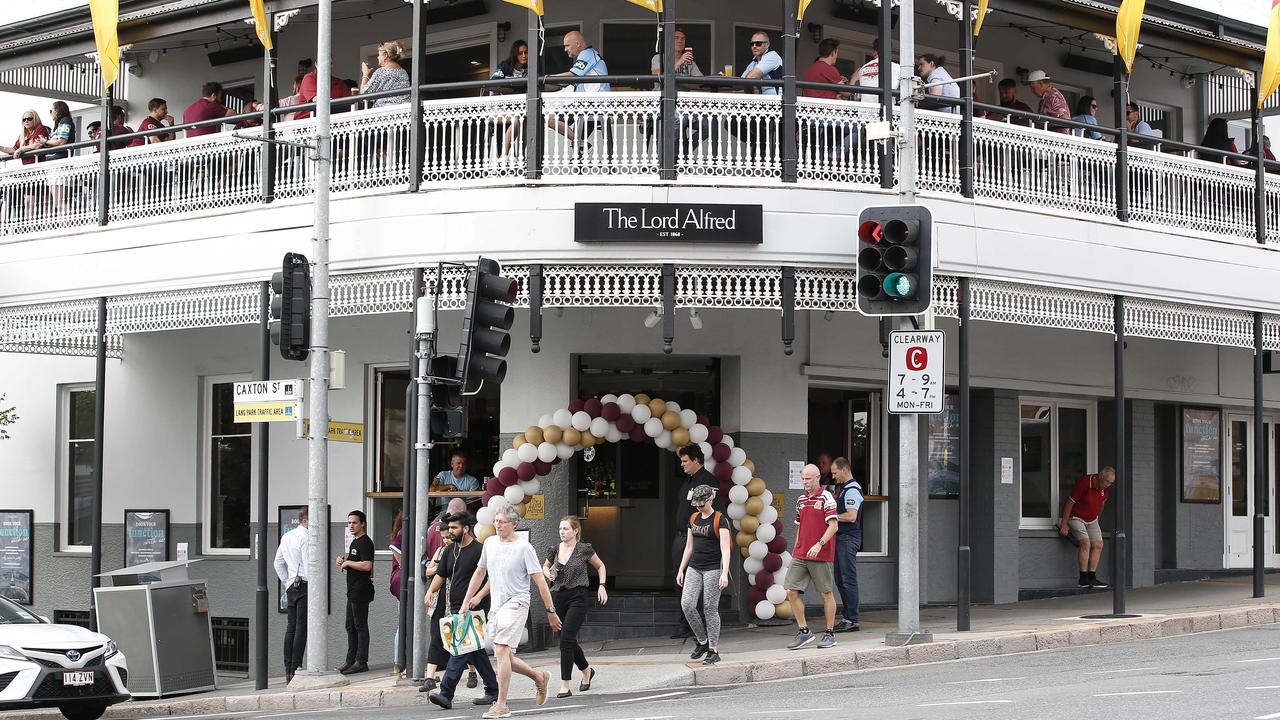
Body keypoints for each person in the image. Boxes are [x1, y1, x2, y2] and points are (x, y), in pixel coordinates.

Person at [459, 503, 560, 719]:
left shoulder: (524, 548)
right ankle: (539, 677)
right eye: (495, 521)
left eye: (502, 522)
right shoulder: (490, 543)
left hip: (517, 603)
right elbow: (480, 573)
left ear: (514, 524)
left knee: (502, 648)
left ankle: (502, 704)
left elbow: (540, 582)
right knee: (503, 655)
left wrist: (550, 610)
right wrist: (467, 601)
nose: (497, 525)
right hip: (497, 606)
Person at [425, 511, 501, 711]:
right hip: (457, 607)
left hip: (476, 608)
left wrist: (478, 597)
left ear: (466, 529)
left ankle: (446, 692)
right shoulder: (450, 551)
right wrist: (431, 591)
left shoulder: (479, 550)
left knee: (460, 648)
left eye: (454, 528)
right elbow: (441, 575)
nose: (450, 531)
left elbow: (492, 579)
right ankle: (493, 690)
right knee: (474, 651)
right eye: (449, 528)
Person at [542, 515, 608, 697]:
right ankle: (587, 670)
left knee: (565, 640)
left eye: (566, 529)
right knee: (567, 639)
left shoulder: (584, 549)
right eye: (560, 529)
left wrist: (602, 586)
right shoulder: (554, 549)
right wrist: (548, 574)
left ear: (575, 531)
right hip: (558, 596)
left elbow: (601, 566)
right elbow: (545, 567)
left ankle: (565, 684)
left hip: (578, 596)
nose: (562, 532)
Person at [784, 464, 838, 651]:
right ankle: (804, 631)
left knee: (826, 593)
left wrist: (819, 544)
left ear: (817, 478)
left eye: (808, 478)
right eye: (803, 479)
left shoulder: (827, 497)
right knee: (791, 591)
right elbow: (800, 525)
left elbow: (833, 526)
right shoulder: (800, 499)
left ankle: (830, 633)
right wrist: (796, 548)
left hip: (821, 553)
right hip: (801, 553)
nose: (805, 482)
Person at [676, 485, 730, 666]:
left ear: (710, 499)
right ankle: (702, 641)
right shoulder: (693, 518)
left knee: (709, 608)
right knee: (687, 604)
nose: (698, 507)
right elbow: (689, 546)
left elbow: (725, 549)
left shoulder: (720, 519)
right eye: (696, 504)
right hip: (694, 567)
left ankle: (713, 650)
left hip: (713, 568)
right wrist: (681, 569)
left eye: (701, 503)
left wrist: (724, 573)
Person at [671, 443, 720, 639]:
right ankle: (685, 624)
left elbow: (714, 512)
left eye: (685, 461)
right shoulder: (687, 482)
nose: (682, 465)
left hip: (699, 538)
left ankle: (700, 628)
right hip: (681, 537)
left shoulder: (708, 482)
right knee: (680, 580)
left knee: (697, 583)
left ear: (696, 460)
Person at [547, 31, 610, 145]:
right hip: (589, 104)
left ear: (578, 44)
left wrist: (547, 78)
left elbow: (573, 75)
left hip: (594, 104)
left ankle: (582, 145)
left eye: (567, 45)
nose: (565, 49)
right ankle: (581, 148)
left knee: (552, 119)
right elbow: (567, 82)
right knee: (573, 131)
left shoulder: (587, 54)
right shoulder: (588, 55)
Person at [1058, 467, 1116, 589]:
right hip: (1076, 517)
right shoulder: (1085, 482)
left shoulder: (1104, 490)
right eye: (1107, 481)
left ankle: (1092, 577)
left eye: (1111, 483)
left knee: (1099, 544)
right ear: (1100, 477)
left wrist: (1097, 521)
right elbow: (1070, 502)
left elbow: (1101, 506)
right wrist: (1064, 523)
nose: (1108, 485)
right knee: (1086, 543)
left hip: (1092, 519)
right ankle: (1083, 579)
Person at [273, 505, 309, 683]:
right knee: (301, 627)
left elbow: (277, 563)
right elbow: (308, 564)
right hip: (304, 584)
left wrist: (287, 581)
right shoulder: (305, 537)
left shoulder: (286, 536)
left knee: (291, 627)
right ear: (306, 519)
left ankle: (288, 668)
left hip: (291, 585)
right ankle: (296, 667)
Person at [336, 510, 375, 675]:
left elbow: (367, 566)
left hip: (361, 590)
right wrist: (344, 562)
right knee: (350, 626)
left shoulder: (365, 542)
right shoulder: (354, 542)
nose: (351, 526)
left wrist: (348, 564)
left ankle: (361, 661)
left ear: (363, 523)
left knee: (360, 626)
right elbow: (356, 562)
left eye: (354, 523)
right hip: (352, 590)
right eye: (349, 523)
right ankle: (350, 660)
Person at [830, 457, 862, 633]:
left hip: (848, 539)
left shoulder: (852, 490)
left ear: (844, 470)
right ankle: (847, 617)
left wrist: (832, 516)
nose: (834, 477)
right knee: (841, 579)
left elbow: (851, 516)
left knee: (848, 579)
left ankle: (852, 619)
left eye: (835, 473)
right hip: (841, 539)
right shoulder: (843, 490)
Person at [44, 101, 76, 213]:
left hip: (59, 164)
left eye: (51, 111)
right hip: (55, 165)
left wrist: (46, 141)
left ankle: (73, 223)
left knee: (60, 202)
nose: (51, 113)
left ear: (57, 110)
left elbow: (62, 141)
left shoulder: (65, 121)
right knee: (58, 202)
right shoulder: (60, 123)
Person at [361, 41, 411, 107]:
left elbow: (364, 94)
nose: (378, 57)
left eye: (379, 55)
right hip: (403, 112)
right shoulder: (403, 72)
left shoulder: (382, 72)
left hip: (386, 111)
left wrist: (365, 74)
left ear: (385, 55)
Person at [853, 39, 900, 103]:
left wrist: (853, 77)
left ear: (874, 52)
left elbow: (850, 92)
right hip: (887, 109)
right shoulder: (897, 68)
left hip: (866, 110)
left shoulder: (863, 68)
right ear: (889, 52)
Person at [388, 511, 405, 677]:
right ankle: (399, 661)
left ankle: (399, 662)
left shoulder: (399, 533)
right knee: (405, 623)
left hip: (398, 583)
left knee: (403, 623)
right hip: (403, 584)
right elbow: (401, 559)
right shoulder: (402, 535)